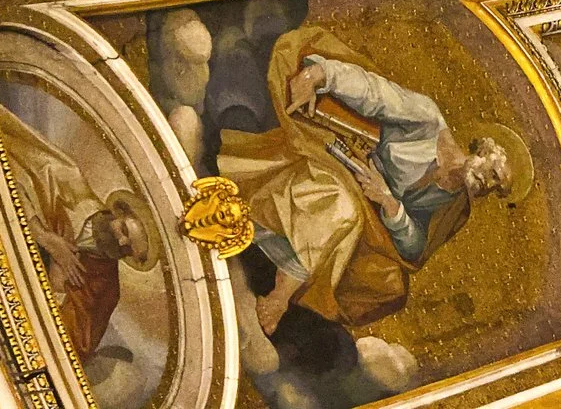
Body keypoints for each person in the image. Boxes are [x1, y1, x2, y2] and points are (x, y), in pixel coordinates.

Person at [217, 26, 528, 335]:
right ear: (486, 151)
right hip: (346, 163)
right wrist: (321, 75)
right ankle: (277, 297)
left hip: (375, 217)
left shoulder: (456, 206)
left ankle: (274, 288)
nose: (489, 185)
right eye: (495, 175)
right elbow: (375, 93)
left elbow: (416, 247)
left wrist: (392, 206)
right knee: (342, 208)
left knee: (378, 269)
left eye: (497, 188)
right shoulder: (427, 121)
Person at [0, 104, 160, 357]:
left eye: (128, 249)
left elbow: (69, 347)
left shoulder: (105, 288)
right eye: (125, 229)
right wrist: (45, 237)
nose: (121, 241)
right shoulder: (66, 177)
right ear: (120, 211)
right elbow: (3, 156)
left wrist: (56, 286)